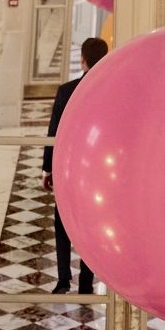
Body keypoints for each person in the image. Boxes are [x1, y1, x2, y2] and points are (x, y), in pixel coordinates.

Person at [42, 37, 108, 294]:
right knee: (90, 226)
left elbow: (54, 133)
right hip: (97, 171)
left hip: (68, 169)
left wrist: (47, 169)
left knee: (61, 223)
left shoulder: (66, 91)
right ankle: (85, 282)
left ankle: (62, 279)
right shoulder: (111, 93)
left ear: (83, 60)